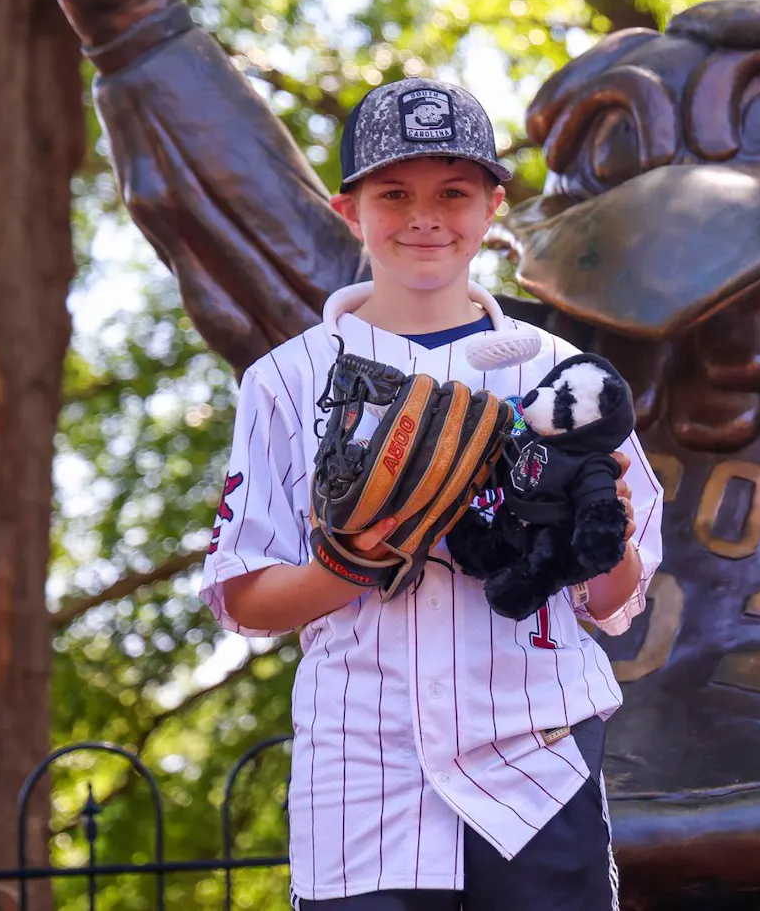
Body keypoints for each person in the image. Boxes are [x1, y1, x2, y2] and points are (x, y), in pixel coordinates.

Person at [198, 76, 664, 911]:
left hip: (538, 763)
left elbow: (616, 599)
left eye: (453, 191)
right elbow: (241, 595)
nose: (426, 216)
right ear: (350, 211)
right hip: (363, 776)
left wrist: (608, 533)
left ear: (492, 204)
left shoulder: (560, 375)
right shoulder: (286, 379)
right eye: (394, 193)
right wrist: (355, 561)